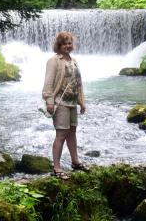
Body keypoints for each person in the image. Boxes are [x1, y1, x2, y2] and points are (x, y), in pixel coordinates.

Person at [42, 31, 89, 180]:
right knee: (61, 135)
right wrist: (49, 101)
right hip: (60, 103)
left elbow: (78, 83)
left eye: (69, 43)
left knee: (72, 132)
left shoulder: (74, 61)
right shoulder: (54, 61)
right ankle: (57, 167)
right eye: (64, 43)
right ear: (59, 45)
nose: (67, 46)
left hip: (72, 103)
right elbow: (48, 83)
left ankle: (75, 162)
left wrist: (82, 102)